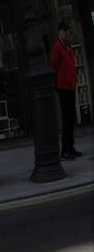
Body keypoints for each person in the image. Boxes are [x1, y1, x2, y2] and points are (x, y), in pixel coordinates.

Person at [49, 20, 81, 160]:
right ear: (61, 31)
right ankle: (65, 150)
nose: (68, 34)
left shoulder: (66, 45)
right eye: (67, 31)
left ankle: (70, 147)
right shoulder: (57, 47)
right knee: (67, 118)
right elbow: (54, 65)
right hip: (63, 86)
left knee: (70, 117)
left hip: (69, 85)